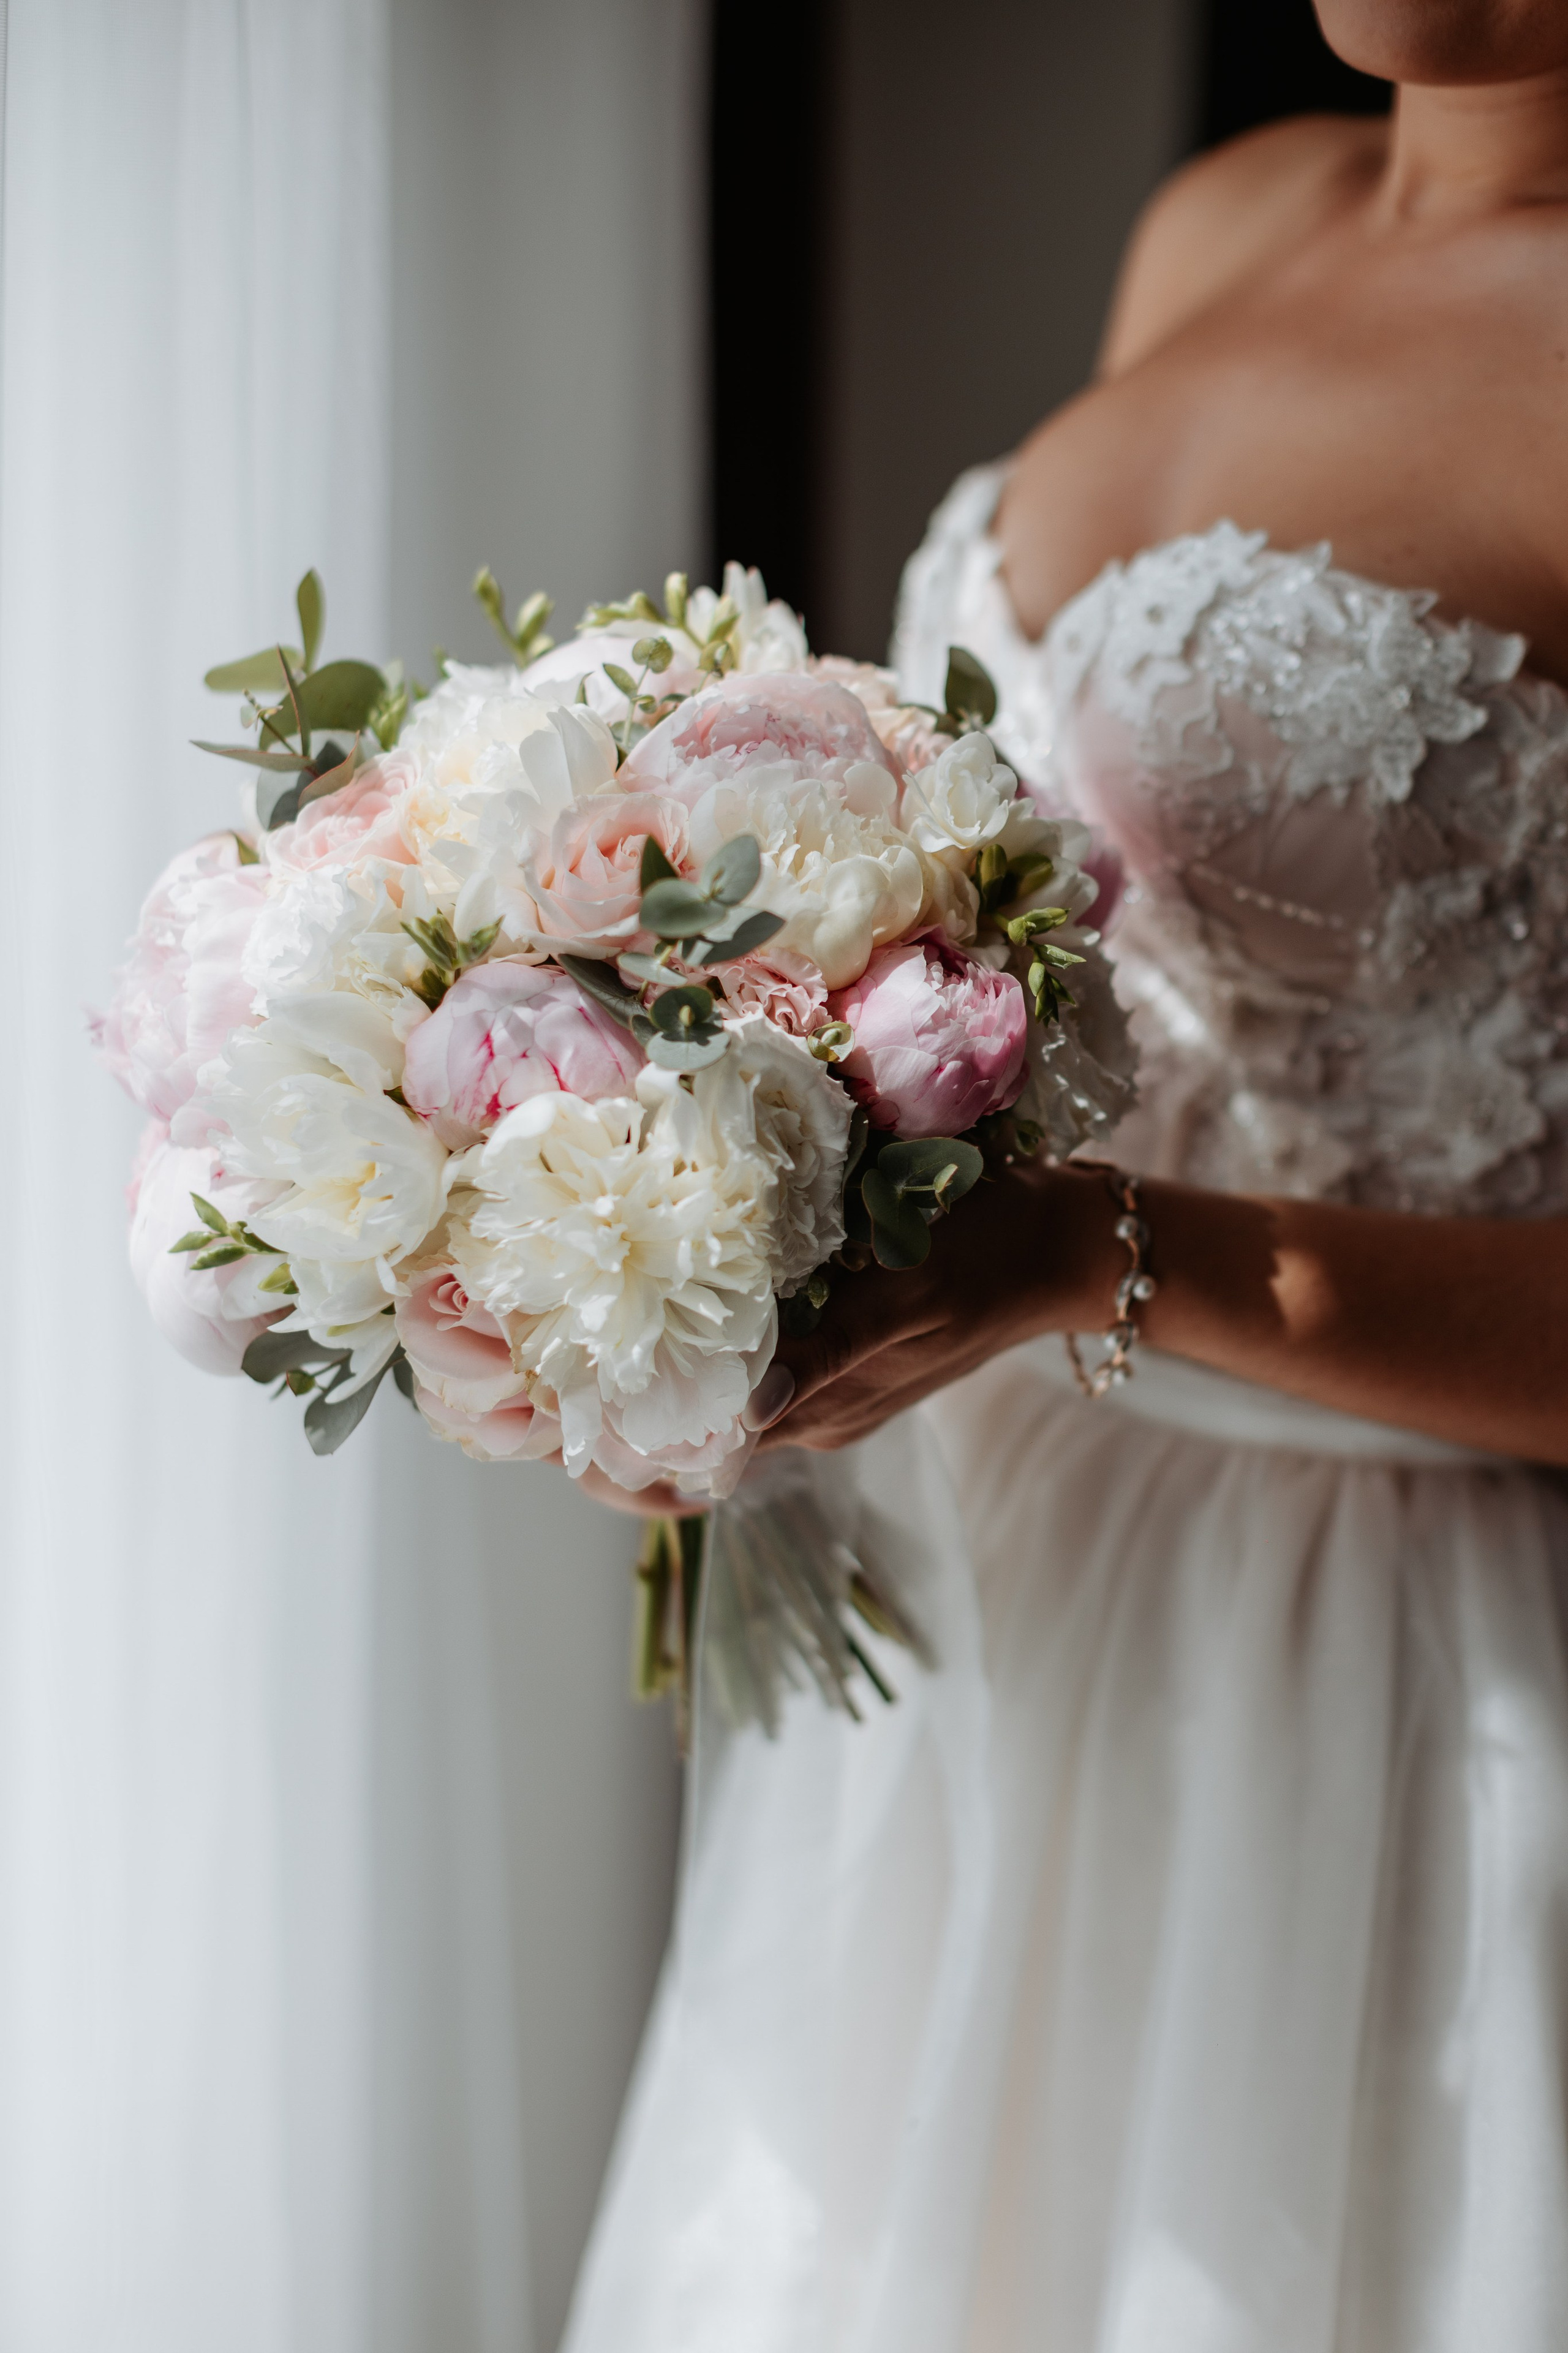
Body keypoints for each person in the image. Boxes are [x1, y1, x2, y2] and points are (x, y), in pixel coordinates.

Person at [566, 7, 1568, 2346]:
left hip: (1396, 1651)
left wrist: (1080, 1256)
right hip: (1002, 1565)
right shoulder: (1229, 215)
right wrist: (687, 1229)